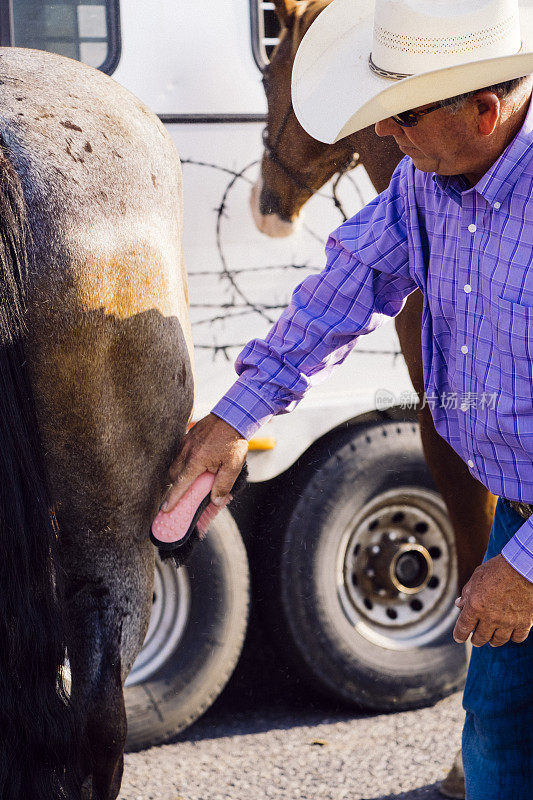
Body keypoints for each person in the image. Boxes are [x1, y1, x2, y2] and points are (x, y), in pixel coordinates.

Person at [161, 1, 533, 797]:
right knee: (500, 737)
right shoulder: (430, 182)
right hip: (520, 513)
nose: (383, 135)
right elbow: (347, 282)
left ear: (482, 108)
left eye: (399, 114)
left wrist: (525, 570)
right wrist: (235, 418)